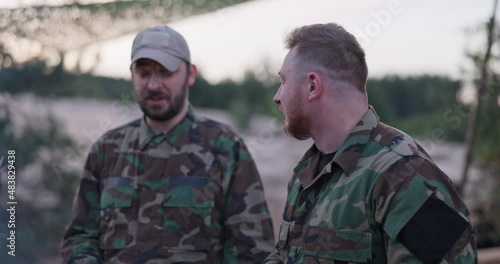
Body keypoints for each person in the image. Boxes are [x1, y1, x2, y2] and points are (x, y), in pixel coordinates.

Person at [263, 23, 477, 263]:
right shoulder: (307, 173)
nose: (277, 97)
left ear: (312, 86)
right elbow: (284, 255)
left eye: (283, 81)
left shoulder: (403, 174)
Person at [61, 25, 275, 263]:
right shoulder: (107, 149)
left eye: (165, 72)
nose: (153, 85)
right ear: (131, 74)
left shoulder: (225, 148)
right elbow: (81, 236)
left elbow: (252, 249)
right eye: (144, 73)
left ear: (190, 74)